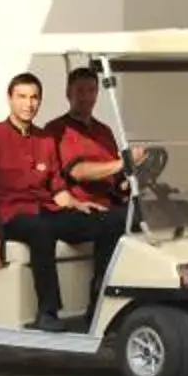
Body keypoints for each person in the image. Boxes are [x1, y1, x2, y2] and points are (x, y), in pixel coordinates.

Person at [0, 71, 80, 331]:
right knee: (43, 230)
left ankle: (99, 303)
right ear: (9, 99)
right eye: (22, 97)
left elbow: (57, 190)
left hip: (44, 210)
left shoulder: (45, 139)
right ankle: (47, 312)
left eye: (34, 98)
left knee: (106, 222)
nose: (29, 104)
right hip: (9, 216)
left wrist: (80, 208)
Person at [44, 65, 142, 273]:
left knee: (167, 210)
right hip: (76, 208)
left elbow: (115, 179)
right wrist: (123, 162)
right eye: (80, 91)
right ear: (68, 94)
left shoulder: (103, 131)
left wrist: (132, 176)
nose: (86, 97)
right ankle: (100, 292)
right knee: (116, 221)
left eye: (91, 91)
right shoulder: (57, 129)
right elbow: (78, 171)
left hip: (108, 204)